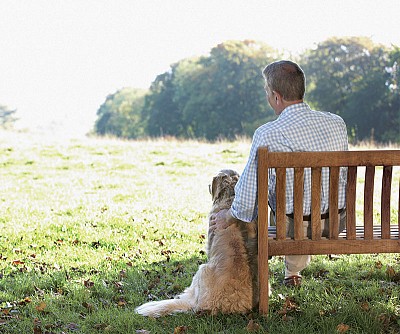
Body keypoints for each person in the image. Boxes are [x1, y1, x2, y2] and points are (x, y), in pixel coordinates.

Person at [210, 60, 348, 287]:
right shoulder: (336, 123)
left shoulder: (267, 133)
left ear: (276, 96)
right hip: (336, 222)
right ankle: (292, 272)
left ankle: (251, 274)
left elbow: (248, 192)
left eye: (267, 91)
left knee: (282, 206)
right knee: (300, 200)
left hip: (293, 228)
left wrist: (229, 216)